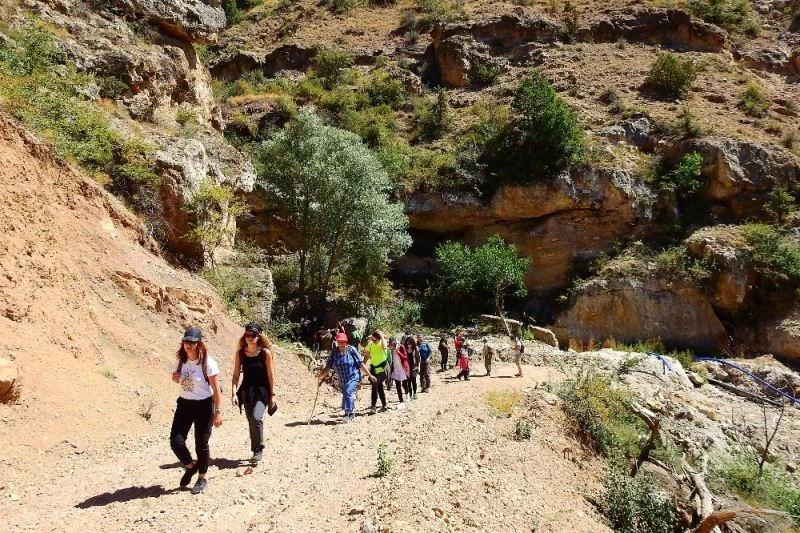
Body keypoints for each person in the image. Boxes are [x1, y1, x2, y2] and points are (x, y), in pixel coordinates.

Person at [169, 326, 222, 494]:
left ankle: (202, 477)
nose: (188, 345)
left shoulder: (208, 363)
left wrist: (218, 412)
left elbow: (216, 389)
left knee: (201, 444)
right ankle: (191, 467)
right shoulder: (181, 359)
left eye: (192, 342)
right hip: (184, 405)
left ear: (199, 344)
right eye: (186, 341)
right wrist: (175, 377)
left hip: (204, 406)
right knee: (176, 441)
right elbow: (178, 378)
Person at [231, 323, 276, 464]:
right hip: (246, 391)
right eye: (247, 335)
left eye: (253, 335)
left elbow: (270, 375)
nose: (250, 337)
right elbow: (235, 375)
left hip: (262, 391)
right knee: (251, 421)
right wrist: (233, 393)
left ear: (259, 336)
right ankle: (255, 450)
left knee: (256, 418)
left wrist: (273, 394)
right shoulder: (241, 354)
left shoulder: (265, 353)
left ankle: (259, 449)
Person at [317, 332, 375, 421]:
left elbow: (360, 363)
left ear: (346, 342)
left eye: (342, 342)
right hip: (342, 379)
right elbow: (328, 365)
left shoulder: (351, 350)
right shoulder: (334, 352)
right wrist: (321, 374)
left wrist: (369, 375)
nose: (340, 343)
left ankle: (349, 414)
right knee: (347, 394)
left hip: (353, 376)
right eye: (338, 341)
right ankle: (351, 412)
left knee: (348, 392)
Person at [365, 329, 389, 413]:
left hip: (383, 370)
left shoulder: (382, 342)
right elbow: (366, 353)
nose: (373, 341)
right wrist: (371, 357)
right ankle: (384, 405)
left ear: (378, 338)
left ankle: (373, 406)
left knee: (375, 386)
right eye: (372, 339)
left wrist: (382, 336)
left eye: (375, 339)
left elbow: (385, 347)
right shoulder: (371, 344)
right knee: (379, 387)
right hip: (374, 369)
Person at [389, 337, 410, 405]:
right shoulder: (390, 350)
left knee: (404, 384)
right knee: (397, 386)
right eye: (390, 344)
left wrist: (399, 353)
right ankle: (401, 400)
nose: (391, 346)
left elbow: (405, 358)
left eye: (392, 344)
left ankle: (407, 394)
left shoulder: (401, 347)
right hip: (396, 369)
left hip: (403, 369)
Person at [404, 336, 420, 400]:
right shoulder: (404, 349)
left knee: (414, 380)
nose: (409, 345)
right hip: (407, 367)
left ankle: (415, 393)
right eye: (408, 344)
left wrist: (418, 366)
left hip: (413, 366)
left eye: (410, 344)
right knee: (408, 381)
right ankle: (410, 394)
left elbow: (418, 358)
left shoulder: (415, 348)